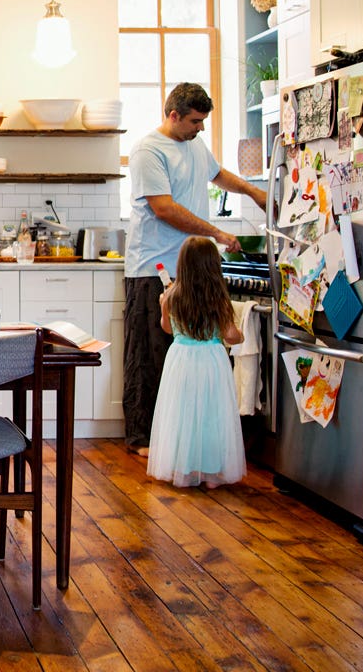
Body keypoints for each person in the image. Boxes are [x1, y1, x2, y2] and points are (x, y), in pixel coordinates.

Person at [123, 82, 267, 457]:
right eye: (195, 121)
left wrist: (254, 192)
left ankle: (185, 436)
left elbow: (218, 174)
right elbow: (164, 209)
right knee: (150, 355)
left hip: (193, 267)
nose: (201, 127)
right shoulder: (148, 151)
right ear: (174, 115)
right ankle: (144, 438)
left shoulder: (195, 145)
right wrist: (216, 232)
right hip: (153, 267)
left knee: (193, 356)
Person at [146, 236, 246, 488]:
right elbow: (231, 335)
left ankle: (185, 469)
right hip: (211, 360)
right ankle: (211, 473)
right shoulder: (219, 300)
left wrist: (162, 306)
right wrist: (242, 333)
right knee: (211, 414)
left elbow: (167, 329)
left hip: (180, 360)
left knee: (183, 413)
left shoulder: (171, 296)